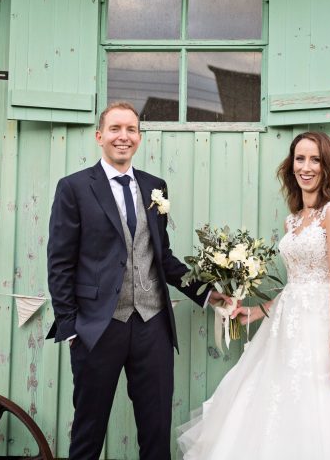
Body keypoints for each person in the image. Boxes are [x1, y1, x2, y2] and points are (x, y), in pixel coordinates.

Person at [177, 131, 330, 459]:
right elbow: (297, 284)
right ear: (291, 166)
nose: (306, 167)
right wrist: (257, 311)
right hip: (286, 328)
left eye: (315, 159)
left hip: (321, 327)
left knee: (320, 409)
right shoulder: (294, 220)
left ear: (327, 166)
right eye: (300, 159)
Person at [46, 102, 228, 460]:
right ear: (99, 136)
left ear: (140, 138)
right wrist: (70, 327)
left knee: (156, 427)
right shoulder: (74, 188)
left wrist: (209, 295)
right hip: (98, 327)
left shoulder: (154, 187)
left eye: (131, 129)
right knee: (89, 429)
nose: (123, 137)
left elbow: (162, 258)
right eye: (115, 129)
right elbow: (60, 262)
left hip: (153, 325)